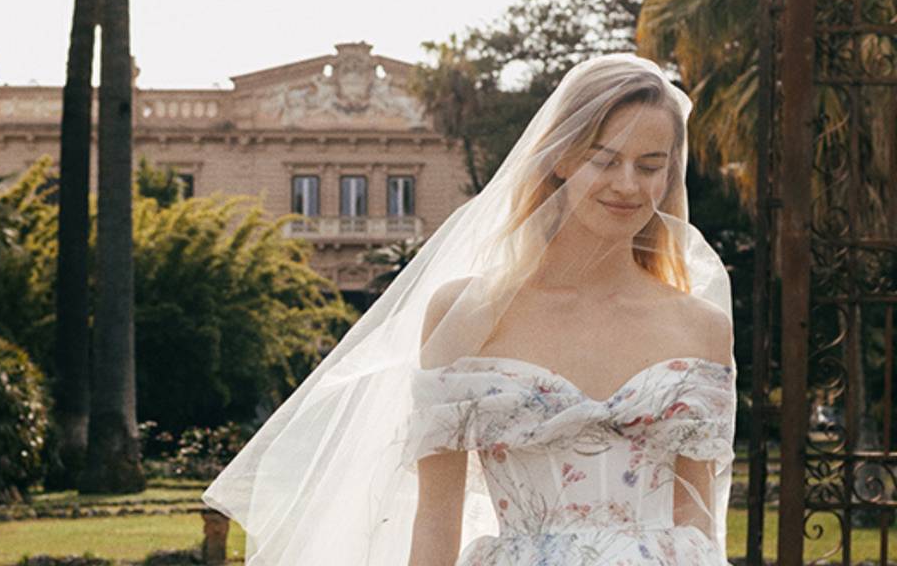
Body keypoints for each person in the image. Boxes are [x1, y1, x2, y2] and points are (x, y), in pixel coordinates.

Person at [202, 53, 737, 565]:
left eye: (650, 166)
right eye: (605, 160)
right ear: (561, 160)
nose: (627, 184)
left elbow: (697, 521)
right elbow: (436, 516)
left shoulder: (701, 327)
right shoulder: (464, 312)